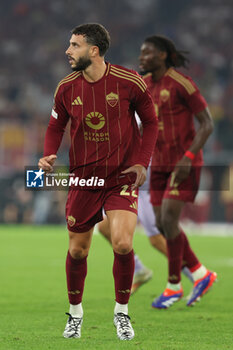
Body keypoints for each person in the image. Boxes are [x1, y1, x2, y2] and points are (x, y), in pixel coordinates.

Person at [38, 23, 158, 340]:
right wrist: (49, 154)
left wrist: (141, 162)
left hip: (121, 178)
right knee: (78, 251)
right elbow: (55, 127)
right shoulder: (66, 88)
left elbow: (151, 122)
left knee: (122, 242)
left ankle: (122, 313)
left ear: (93, 50)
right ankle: (75, 314)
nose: (68, 50)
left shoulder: (128, 82)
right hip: (83, 179)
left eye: (74, 45)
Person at [139, 35, 217, 309]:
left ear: (162, 55)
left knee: (169, 220)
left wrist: (189, 156)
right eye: (141, 53)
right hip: (158, 165)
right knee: (161, 223)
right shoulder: (145, 86)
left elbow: (207, 124)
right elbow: (145, 126)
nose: (141, 58)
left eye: (147, 53)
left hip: (183, 164)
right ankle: (200, 273)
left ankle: (173, 285)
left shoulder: (182, 84)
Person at [98, 166, 194, 295]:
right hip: (125, 185)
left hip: (145, 186)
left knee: (157, 240)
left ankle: (196, 274)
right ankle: (139, 270)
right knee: (104, 226)